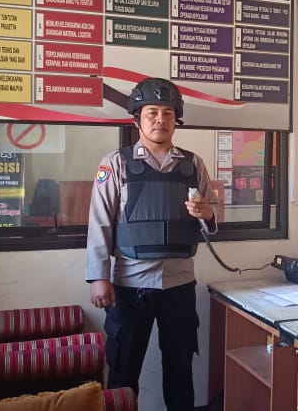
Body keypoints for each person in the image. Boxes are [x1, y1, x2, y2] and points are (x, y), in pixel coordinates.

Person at [85, 77, 219, 410]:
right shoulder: (115, 163)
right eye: (152, 113)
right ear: (137, 119)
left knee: (180, 371)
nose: (161, 119)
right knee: (123, 372)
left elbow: (213, 215)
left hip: (179, 285)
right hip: (130, 286)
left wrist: (207, 212)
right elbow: (100, 222)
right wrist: (98, 276)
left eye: (168, 113)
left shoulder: (193, 164)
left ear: (176, 119)